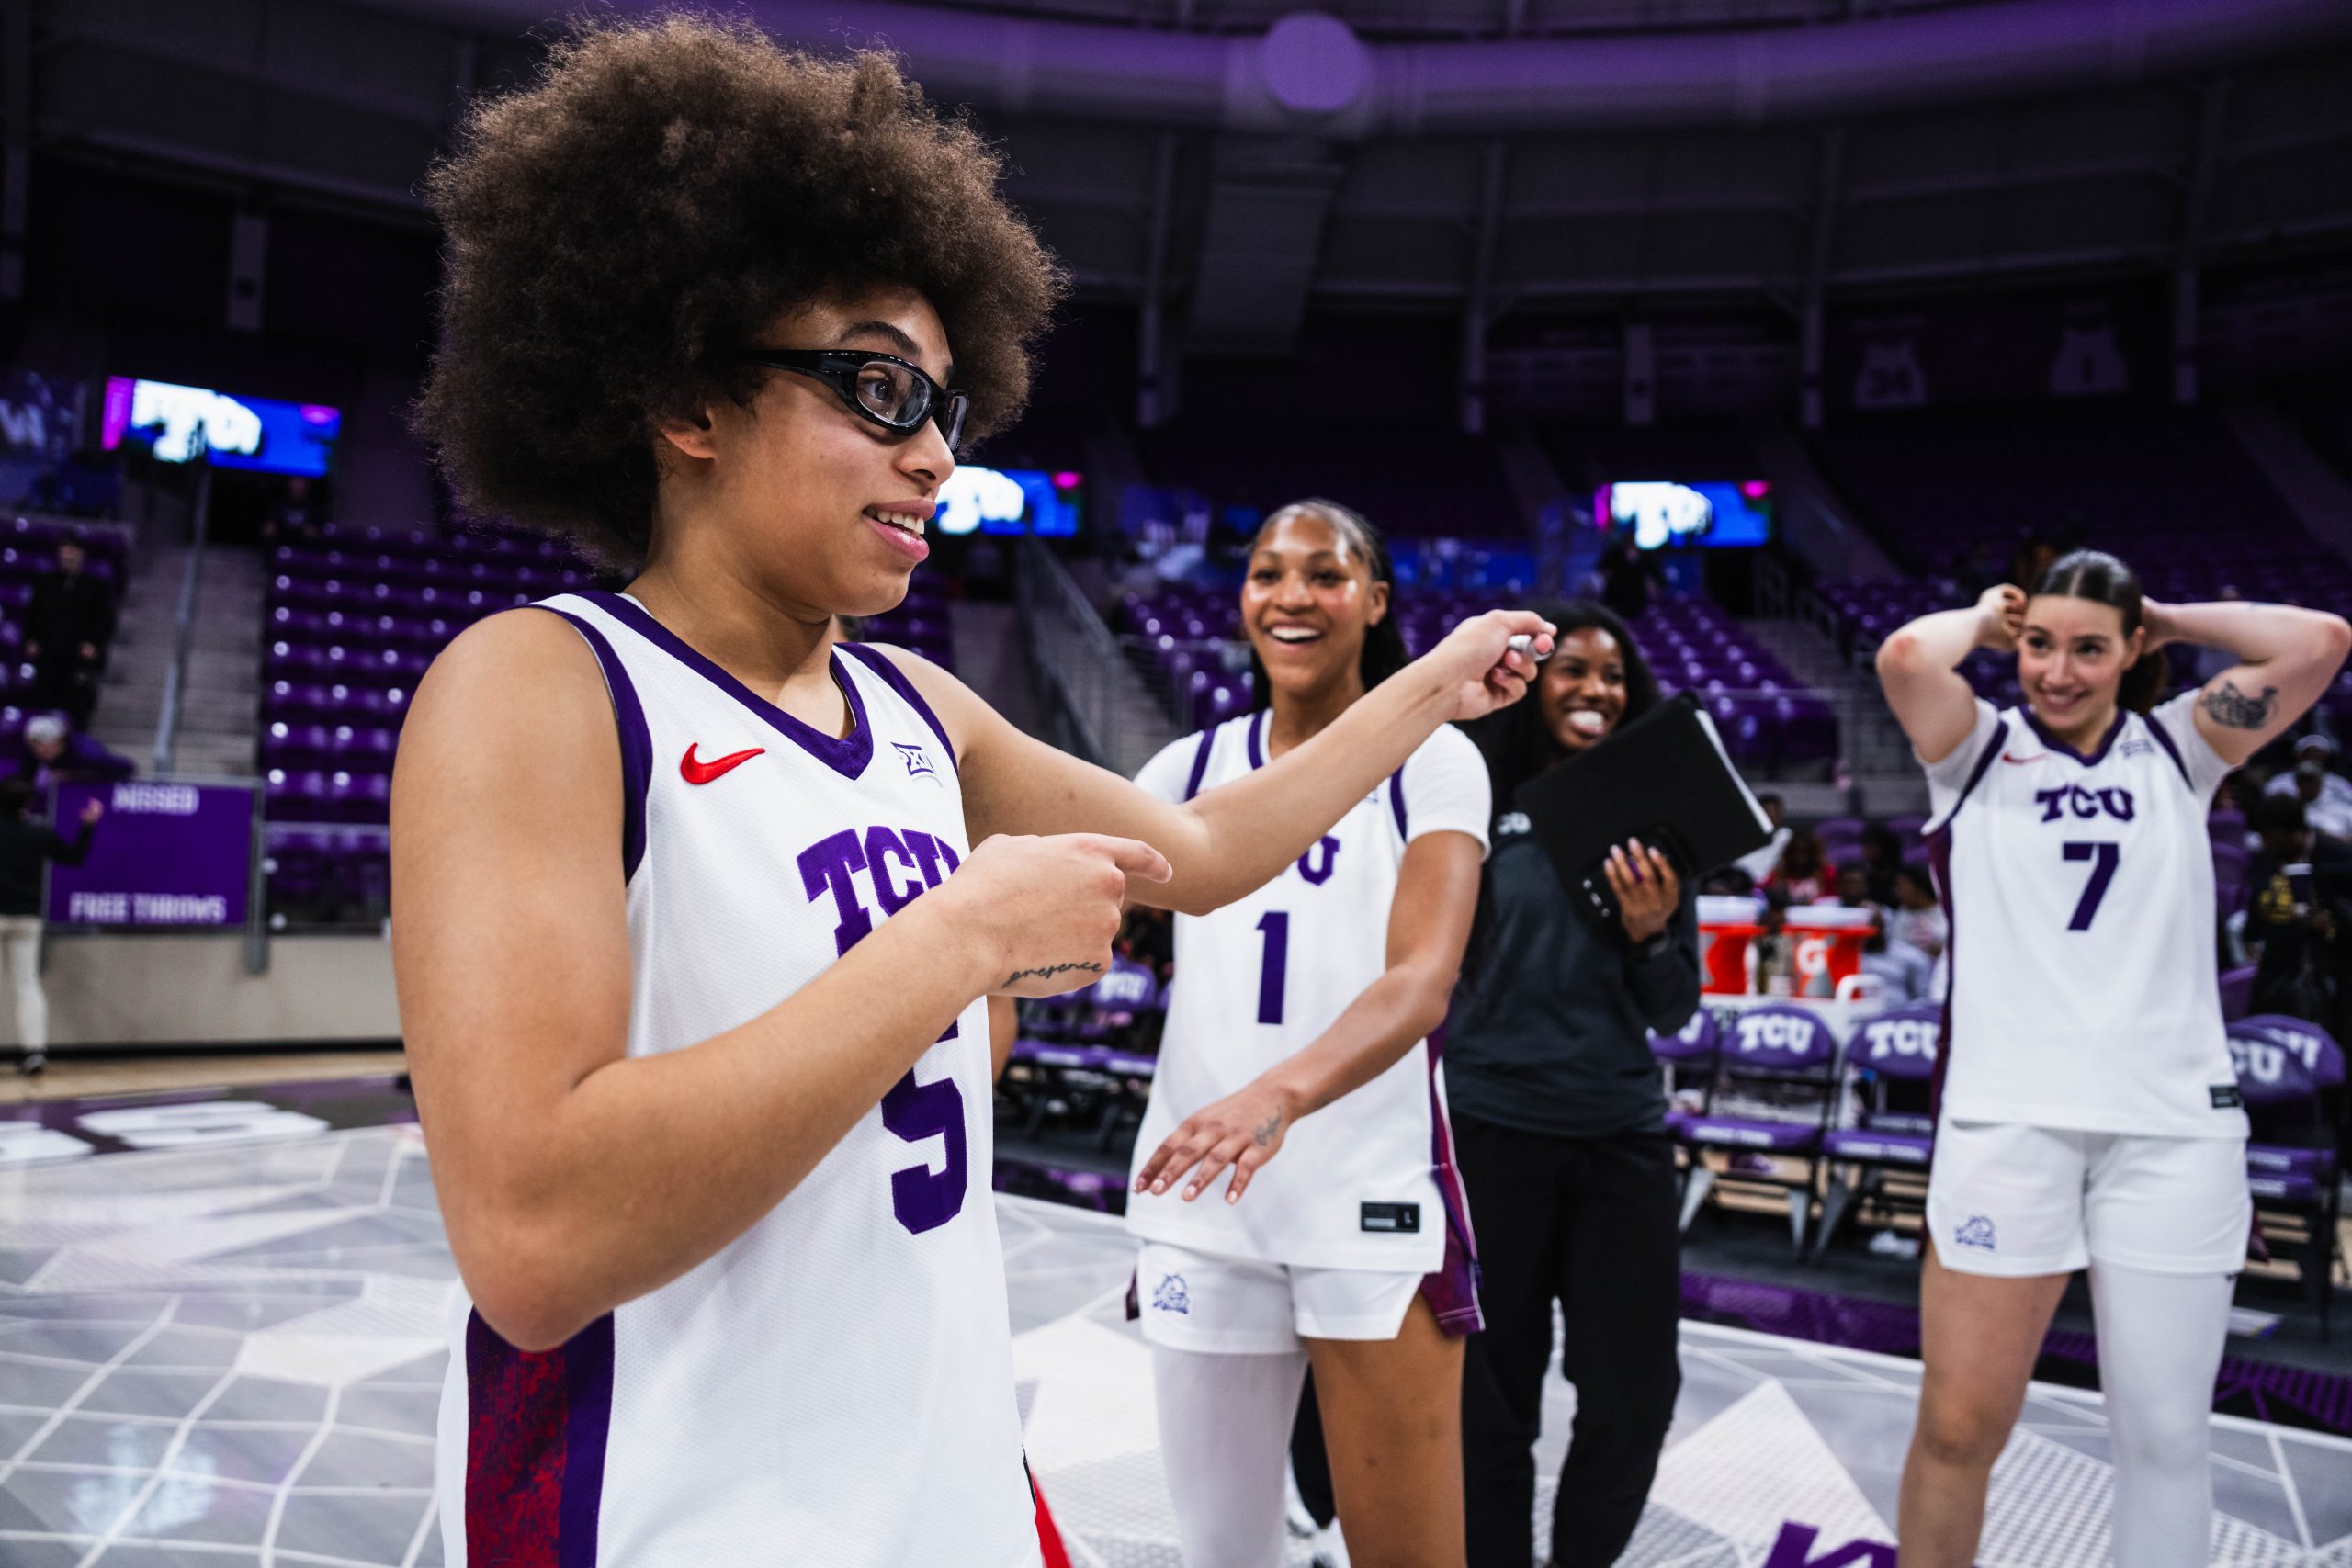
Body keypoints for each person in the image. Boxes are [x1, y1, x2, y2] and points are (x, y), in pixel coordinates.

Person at [392, 21, 1552, 1565]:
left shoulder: (918, 705)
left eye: (946, 405)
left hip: (944, 1482)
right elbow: (534, 1247)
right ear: (688, 403)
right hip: (677, 1507)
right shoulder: (539, 686)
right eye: (877, 388)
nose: (936, 454)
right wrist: (962, 938)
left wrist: (1433, 681)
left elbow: (1204, 852)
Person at [1875, 553, 2349, 1568]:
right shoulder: (1975, 749)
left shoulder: (2183, 743)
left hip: (2172, 1133)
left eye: (2089, 649)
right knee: (1958, 1430)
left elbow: (2320, 642)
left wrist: (2169, 616)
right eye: (2040, 645)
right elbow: (1909, 656)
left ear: (2130, 651)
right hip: (2006, 1127)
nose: (2057, 671)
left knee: (2166, 1439)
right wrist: (1983, 618)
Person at [1125, 501, 1493, 1568]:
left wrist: (1274, 1094)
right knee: (1221, 1557)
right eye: (1266, 572)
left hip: (1362, 1198)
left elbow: (1420, 981)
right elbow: (1063, 934)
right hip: (1201, 1203)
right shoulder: (1183, 772)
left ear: (1374, 603)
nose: (1291, 596)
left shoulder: (1434, 761)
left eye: (1324, 575)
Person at [1447, 600, 1696, 1568]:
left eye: (1613, 677)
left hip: (1619, 1136)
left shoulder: (1660, 829)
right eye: (1574, 671)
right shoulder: (1472, 797)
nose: (1596, 690)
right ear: (1535, 685)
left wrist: (1650, 936)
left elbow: (1673, 1009)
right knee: (1492, 1398)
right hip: (1491, 1130)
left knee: (1636, 1397)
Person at [0, 777, 100, 1076]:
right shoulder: (38, 832)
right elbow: (74, 857)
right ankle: (34, 1053)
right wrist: (88, 825)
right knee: (27, 985)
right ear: (28, 804)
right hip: (28, 918)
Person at [2244, 794, 2352, 1032]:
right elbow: (2255, 912)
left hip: (2335, 977)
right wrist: (2251, 940)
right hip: (2277, 976)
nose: (2264, 843)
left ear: (2292, 833)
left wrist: (2332, 924)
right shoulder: (2266, 861)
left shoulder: (2338, 857)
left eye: (2269, 837)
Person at [23, 536, 115, 730]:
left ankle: (75, 741)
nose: (69, 555)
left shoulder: (95, 586)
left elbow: (104, 619)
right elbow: (33, 614)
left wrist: (94, 643)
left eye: (73, 551)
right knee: (43, 699)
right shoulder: (45, 583)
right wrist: (31, 639)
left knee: (75, 702)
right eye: (65, 550)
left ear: (82, 554)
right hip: (47, 653)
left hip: (76, 657)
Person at [16, 714, 135, 790]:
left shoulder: (87, 753)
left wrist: (73, 775)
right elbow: (23, 779)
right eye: (34, 748)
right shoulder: (33, 753)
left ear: (59, 742)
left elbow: (128, 767)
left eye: (44, 748)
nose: (38, 752)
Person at [1763, 825, 1835, 905]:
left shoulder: (1827, 873)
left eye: (1805, 852)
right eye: (1796, 851)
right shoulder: (1778, 875)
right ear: (1789, 853)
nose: (1799, 857)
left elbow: (1833, 899)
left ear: (1813, 853)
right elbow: (1762, 893)